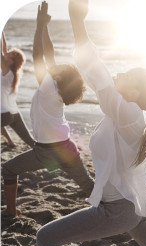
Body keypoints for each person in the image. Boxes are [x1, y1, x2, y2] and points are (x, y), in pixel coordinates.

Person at [36, 1, 146, 246]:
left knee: (45, 238)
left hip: (117, 210)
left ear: (136, 91)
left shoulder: (129, 113)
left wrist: (77, 21)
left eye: (128, 76)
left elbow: (96, 72)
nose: (119, 75)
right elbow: (101, 77)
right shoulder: (125, 114)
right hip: (133, 207)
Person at [1, 1, 94, 217]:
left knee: (8, 169)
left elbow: (38, 55)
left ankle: (11, 212)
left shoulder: (48, 86)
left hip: (45, 152)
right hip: (67, 149)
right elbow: (49, 54)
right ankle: (114, 209)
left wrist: (38, 25)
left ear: (60, 76)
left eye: (59, 68)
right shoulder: (57, 88)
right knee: (89, 186)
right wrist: (44, 26)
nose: (55, 67)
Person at [1, 31, 34, 147]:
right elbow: (4, 49)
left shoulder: (8, 73)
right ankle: (55, 156)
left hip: (4, 115)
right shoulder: (13, 73)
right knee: (31, 142)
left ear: (12, 62)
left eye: (8, 55)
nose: (6, 54)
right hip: (14, 113)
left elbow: (1, 52)